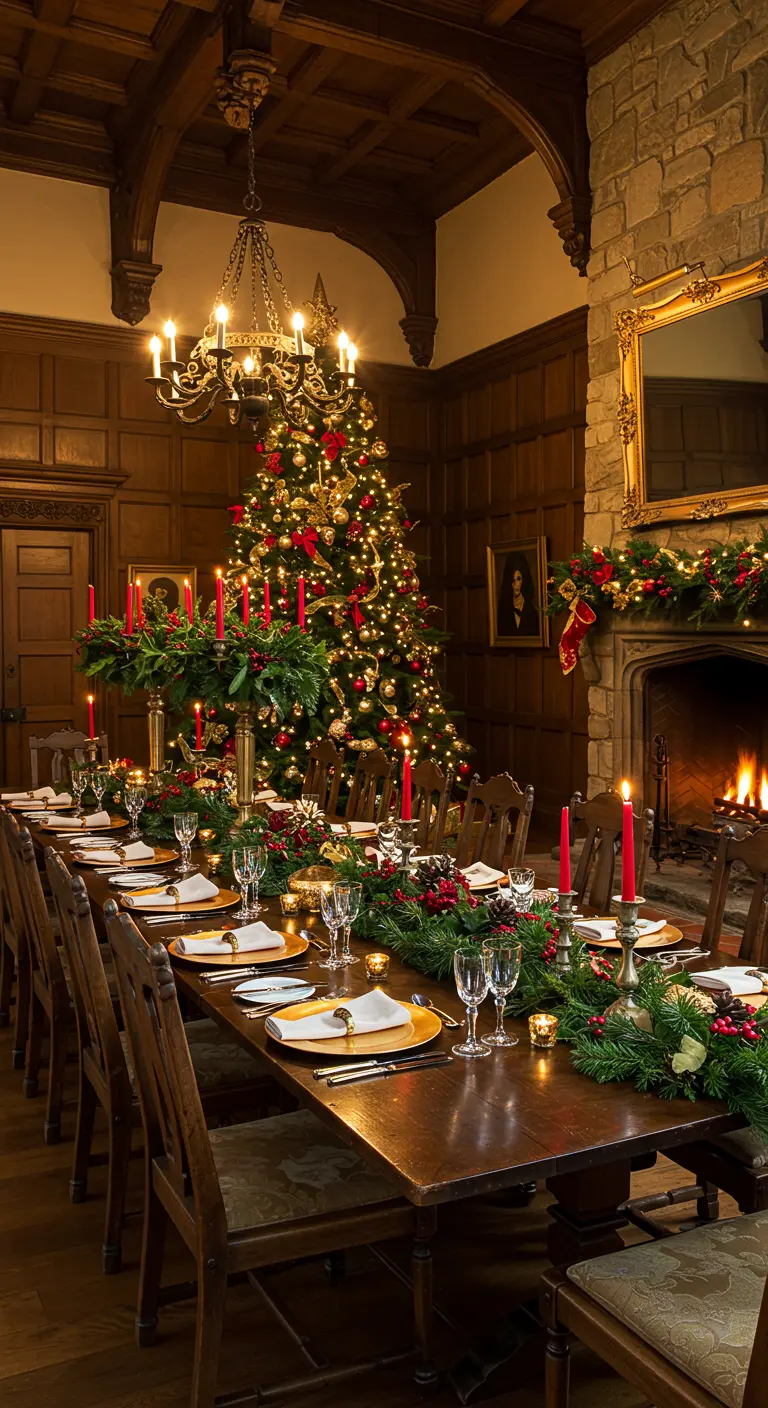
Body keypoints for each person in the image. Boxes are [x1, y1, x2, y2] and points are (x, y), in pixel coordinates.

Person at [497, 551, 539, 637]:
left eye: (518, 579)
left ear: (524, 580)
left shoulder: (532, 612)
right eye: (512, 580)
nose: (515, 584)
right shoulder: (503, 611)